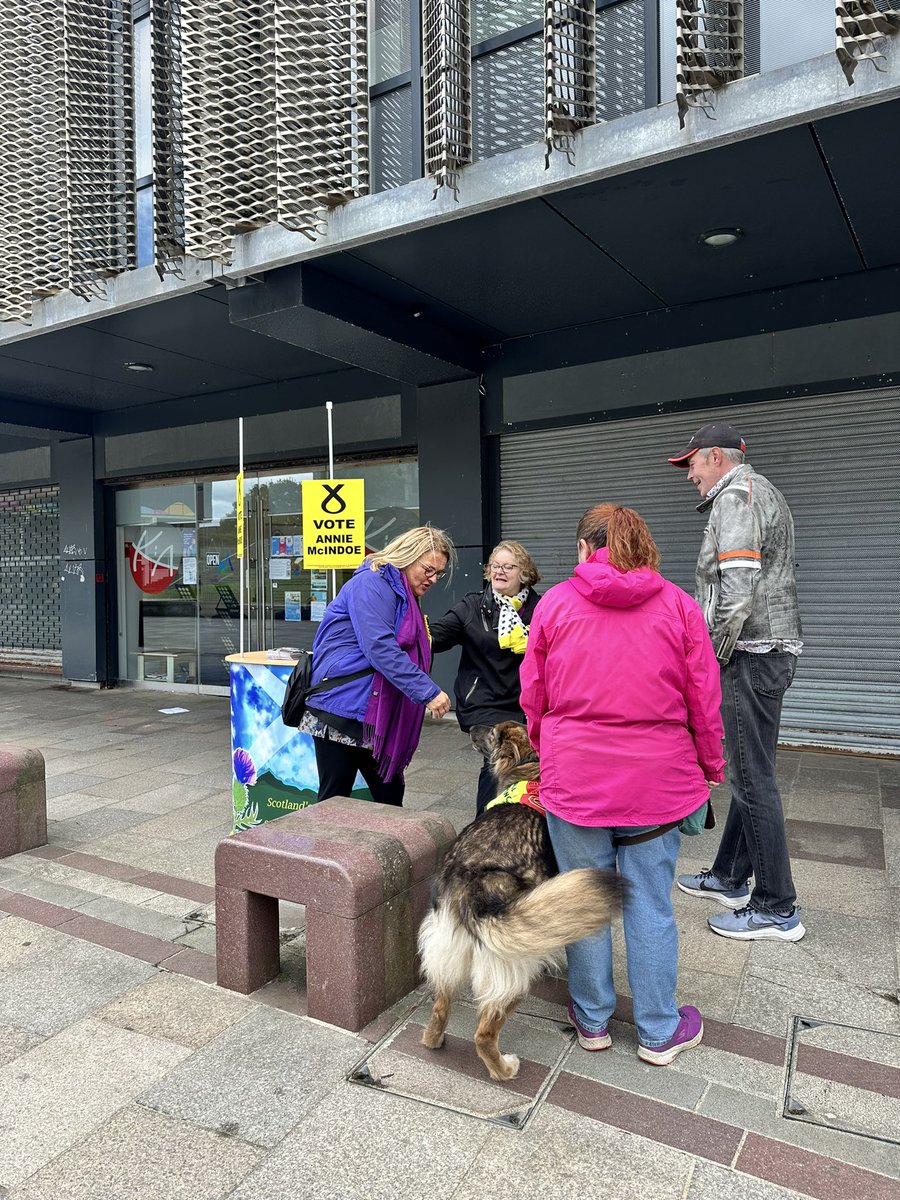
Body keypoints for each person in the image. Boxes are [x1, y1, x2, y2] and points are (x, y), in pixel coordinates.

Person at [519, 505, 724, 1066]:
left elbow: (533, 696)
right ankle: (659, 1030)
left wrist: (549, 750)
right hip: (658, 783)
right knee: (651, 905)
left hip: (576, 782)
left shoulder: (555, 604)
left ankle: (591, 1020)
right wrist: (710, 765)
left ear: (587, 548)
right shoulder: (679, 606)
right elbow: (704, 699)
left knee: (584, 899)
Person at [668, 421, 805, 942]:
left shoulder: (736, 499)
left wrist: (709, 654)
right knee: (755, 771)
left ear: (716, 459)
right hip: (769, 650)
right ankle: (729, 876)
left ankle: (776, 905)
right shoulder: (758, 490)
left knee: (751, 777)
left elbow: (738, 591)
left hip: (750, 652)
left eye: (692, 464)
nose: (690, 476)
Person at [299, 525, 453, 806]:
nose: (432, 579)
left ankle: (383, 850)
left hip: (372, 712)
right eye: (428, 569)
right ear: (408, 555)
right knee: (335, 800)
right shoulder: (371, 583)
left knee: (390, 795)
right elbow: (379, 647)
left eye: (438, 573)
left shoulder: (401, 590)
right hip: (341, 709)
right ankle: (328, 850)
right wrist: (427, 691)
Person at [430, 540, 541, 814]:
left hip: (526, 701)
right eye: (494, 566)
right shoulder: (472, 607)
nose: (499, 572)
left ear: (524, 573)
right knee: (498, 759)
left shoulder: (541, 608)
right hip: (484, 703)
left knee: (529, 763)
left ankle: (523, 818)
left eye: (508, 566)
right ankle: (486, 820)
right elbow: (433, 637)